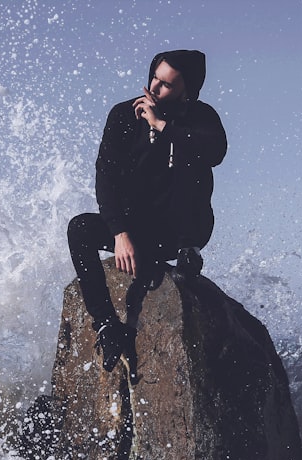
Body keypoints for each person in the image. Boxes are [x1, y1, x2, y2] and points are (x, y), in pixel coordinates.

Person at [67, 49, 227, 377]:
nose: (154, 88)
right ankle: (107, 328)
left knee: (188, 154)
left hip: (182, 231)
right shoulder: (124, 115)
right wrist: (119, 233)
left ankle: (187, 251)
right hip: (136, 231)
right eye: (154, 77)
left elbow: (215, 152)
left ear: (187, 91)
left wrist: (163, 126)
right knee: (80, 229)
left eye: (166, 84)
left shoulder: (201, 117)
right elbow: (106, 178)